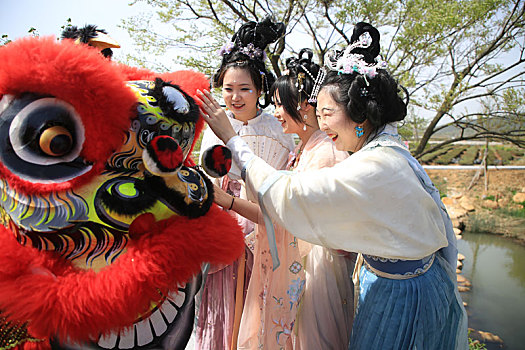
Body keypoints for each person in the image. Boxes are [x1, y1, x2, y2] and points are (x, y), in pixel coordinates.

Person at [198, 22, 468, 350]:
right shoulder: (383, 148)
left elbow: (288, 195)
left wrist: (231, 138)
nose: (322, 123)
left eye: (326, 113)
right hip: (384, 279)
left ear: (359, 117)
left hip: (403, 294)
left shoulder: (375, 165)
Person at [207, 48, 353, 349]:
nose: (275, 113)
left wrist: (229, 200)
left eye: (280, 105)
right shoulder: (308, 148)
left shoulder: (324, 153)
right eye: (228, 88)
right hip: (295, 259)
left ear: (304, 107)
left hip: (311, 268)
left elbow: (281, 214)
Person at [196, 17, 295, 350]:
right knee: (220, 308)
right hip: (222, 224)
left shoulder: (277, 127)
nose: (235, 97)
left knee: (257, 310)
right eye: (228, 89)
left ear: (260, 90)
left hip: (264, 224)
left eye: (244, 89)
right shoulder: (213, 125)